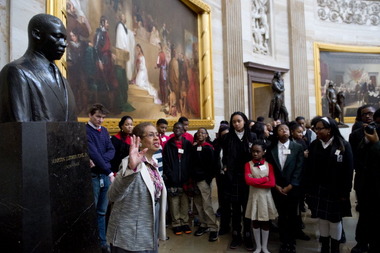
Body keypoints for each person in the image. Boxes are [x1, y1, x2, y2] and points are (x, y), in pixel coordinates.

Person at [0, 13, 77, 122]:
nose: (64, 44)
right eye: (57, 36)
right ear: (37, 34)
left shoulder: (64, 81)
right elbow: (21, 130)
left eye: (64, 39)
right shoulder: (17, 72)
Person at [107, 122, 167, 253]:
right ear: (139, 141)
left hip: (148, 227)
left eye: (157, 134)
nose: (157, 137)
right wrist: (131, 168)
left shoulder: (153, 163)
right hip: (130, 233)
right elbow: (112, 195)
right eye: (151, 135)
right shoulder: (130, 163)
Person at [305, 116, 353, 253]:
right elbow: (309, 169)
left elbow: (348, 171)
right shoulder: (314, 145)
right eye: (315, 128)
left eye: (320, 128)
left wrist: (345, 192)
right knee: (322, 219)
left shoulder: (343, 145)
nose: (316, 131)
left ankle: (335, 247)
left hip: (335, 190)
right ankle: (325, 247)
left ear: (329, 130)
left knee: (335, 220)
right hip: (318, 189)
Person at [222, 111, 257, 250]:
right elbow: (224, 156)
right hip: (233, 178)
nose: (236, 124)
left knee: (247, 208)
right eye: (234, 121)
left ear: (244, 121)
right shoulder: (227, 138)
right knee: (235, 209)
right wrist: (225, 167)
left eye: (239, 121)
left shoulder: (252, 136)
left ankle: (248, 235)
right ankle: (236, 235)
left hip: (248, 177)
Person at [266, 123, 304, 253]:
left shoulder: (297, 147)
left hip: (292, 187)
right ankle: (283, 241)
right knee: (281, 215)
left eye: (286, 129)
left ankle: (291, 241)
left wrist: (292, 185)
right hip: (277, 187)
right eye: (281, 129)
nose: (284, 131)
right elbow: (269, 169)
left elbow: (299, 168)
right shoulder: (271, 149)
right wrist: (275, 185)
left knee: (293, 215)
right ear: (277, 133)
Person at [86, 103, 116, 253]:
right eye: (98, 116)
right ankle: (93, 242)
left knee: (102, 211)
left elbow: (112, 150)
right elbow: (92, 152)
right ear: (90, 115)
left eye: (103, 117)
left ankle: (103, 242)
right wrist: (108, 169)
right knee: (92, 210)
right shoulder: (85, 130)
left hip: (103, 172)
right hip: (95, 176)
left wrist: (100, 161)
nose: (101, 120)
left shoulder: (104, 131)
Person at [349, 105, 376, 253]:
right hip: (363, 178)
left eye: (370, 113)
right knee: (364, 213)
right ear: (360, 116)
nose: (368, 116)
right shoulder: (356, 134)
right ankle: (361, 242)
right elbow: (353, 157)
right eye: (364, 114)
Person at [245, 140, 278, 253]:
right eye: (253, 151)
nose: (255, 154)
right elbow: (248, 181)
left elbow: (272, 183)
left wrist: (256, 181)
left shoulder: (269, 166)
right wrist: (264, 179)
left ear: (264, 152)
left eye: (258, 151)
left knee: (265, 221)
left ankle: (264, 246)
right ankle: (258, 246)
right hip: (254, 197)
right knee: (255, 222)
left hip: (265, 197)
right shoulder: (248, 164)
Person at [355, 109, 380, 252]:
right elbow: (357, 158)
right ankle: (362, 242)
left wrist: (376, 143)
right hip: (365, 184)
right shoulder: (361, 136)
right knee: (364, 215)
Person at [163, 122, 193, 235]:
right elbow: (165, 162)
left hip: (185, 179)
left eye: (179, 128)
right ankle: (176, 223)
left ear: (183, 130)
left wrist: (189, 176)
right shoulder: (168, 144)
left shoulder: (187, 144)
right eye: (175, 128)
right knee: (174, 203)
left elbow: (191, 161)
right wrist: (171, 176)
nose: (177, 130)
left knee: (185, 202)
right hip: (173, 179)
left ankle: (185, 222)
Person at [191, 127, 219, 242]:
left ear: (207, 135)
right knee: (198, 204)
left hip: (204, 180)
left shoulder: (209, 148)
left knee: (207, 204)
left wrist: (208, 179)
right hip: (195, 180)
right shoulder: (194, 148)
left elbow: (213, 166)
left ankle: (213, 227)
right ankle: (203, 225)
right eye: (198, 133)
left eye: (202, 132)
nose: (200, 134)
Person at [115, 13, 135, 81]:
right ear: (121, 18)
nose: (124, 18)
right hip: (121, 49)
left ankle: (125, 80)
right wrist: (125, 47)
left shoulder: (124, 26)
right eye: (123, 16)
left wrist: (132, 33)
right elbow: (121, 37)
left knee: (124, 67)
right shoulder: (120, 26)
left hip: (124, 49)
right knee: (121, 67)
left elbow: (127, 33)